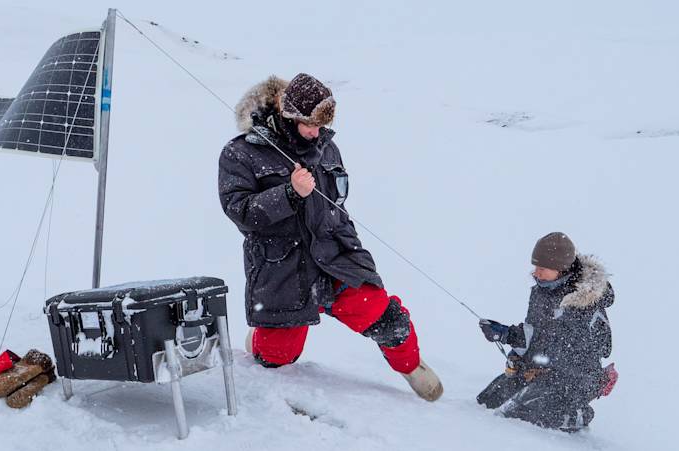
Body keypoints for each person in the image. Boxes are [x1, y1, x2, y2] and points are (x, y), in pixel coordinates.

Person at [217, 73, 443, 401]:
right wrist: (289, 193)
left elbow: (338, 208)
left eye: (322, 125)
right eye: (310, 125)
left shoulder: (327, 148)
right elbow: (240, 211)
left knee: (384, 316)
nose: (316, 132)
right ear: (289, 115)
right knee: (276, 357)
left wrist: (358, 259)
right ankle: (261, 340)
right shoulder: (241, 153)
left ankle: (412, 367)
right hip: (284, 268)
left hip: (334, 259)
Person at [476, 232, 616, 432]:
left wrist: (536, 366)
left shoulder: (582, 303)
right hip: (542, 367)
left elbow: (577, 350)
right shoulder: (541, 292)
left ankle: (579, 414)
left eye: (542, 268)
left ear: (561, 268)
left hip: (577, 377)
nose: (536, 273)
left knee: (523, 415)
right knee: (487, 401)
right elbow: (535, 333)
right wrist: (505, 334)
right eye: (535, 267)